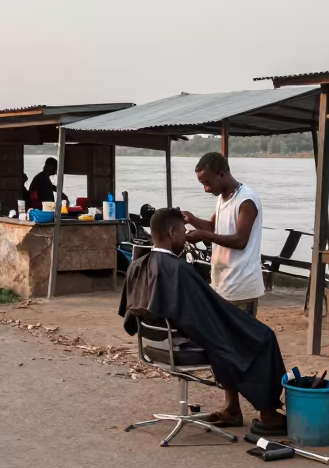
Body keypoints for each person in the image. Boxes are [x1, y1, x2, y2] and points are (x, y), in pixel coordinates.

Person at [119, 207, 287, 433]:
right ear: (171, 233)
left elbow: (131, 311)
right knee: (262, 337)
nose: (185, 236)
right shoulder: (178, 270)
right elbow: (208, 315)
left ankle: (233, 410)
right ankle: (268, 413)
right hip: (181, 345)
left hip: (155, 343)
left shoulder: (137, 264)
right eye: (182, 231)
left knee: (233, 336)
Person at [181, 152, 265, 315]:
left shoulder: (246, 200)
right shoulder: (221, 198)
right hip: (221, 284)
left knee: (239, 340)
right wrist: (192, 219)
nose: (206, 189)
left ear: (221, 175)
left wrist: (203, 236)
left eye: (207, 183)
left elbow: (240, 241)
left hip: (241, 287)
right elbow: (215, 228)